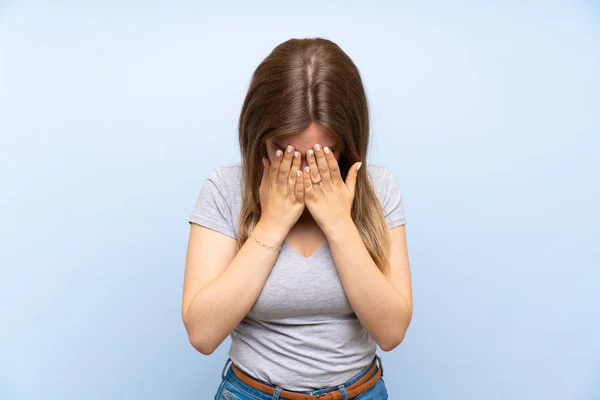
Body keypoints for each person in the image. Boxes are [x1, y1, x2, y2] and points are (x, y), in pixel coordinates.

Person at [182, 37, 413, 400]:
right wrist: (271, 225)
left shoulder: (378, 188)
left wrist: (339, 224)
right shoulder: (225, 187)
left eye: (323, 155)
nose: (303, 172)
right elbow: (202, 334)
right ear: (257, 138)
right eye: (284, 152)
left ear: (348, 143)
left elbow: (392, 332)